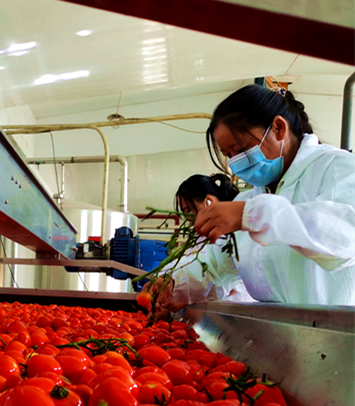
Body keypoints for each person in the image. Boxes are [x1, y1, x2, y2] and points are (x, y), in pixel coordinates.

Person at [156, 84, 355, 309]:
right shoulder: (247, 200)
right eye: (228, 155)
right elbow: (216, 266)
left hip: (340, 335)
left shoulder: (336, 167)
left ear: (279, 128)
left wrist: (252, 215)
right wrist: (175, 285)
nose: (235, 161)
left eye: (241, 149)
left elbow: (345, 235)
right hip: (275, 335)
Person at [147, 174, 254, 316]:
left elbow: (216, 275)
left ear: (209, 201)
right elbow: (195, 268)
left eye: (189, 211)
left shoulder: (230, 233)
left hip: (239, 315)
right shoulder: (203, 236)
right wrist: (165, 281)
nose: (189, 220)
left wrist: (178, 288)